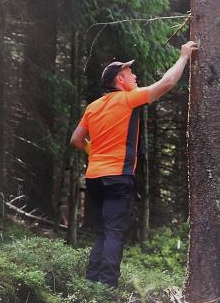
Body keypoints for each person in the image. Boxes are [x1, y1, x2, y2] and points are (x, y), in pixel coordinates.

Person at [70, 41, 198, 286]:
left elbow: (76, 139)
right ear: (120, 79)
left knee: (102, 232)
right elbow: (167, 83)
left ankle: (91, 284)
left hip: (94, 177)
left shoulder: (93, 106)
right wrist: (183, 57)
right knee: (115, 232)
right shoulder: (128, 99)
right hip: (117, 177)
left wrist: (92, 150)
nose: (135, 75)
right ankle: (106, 288)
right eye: (130, 72)